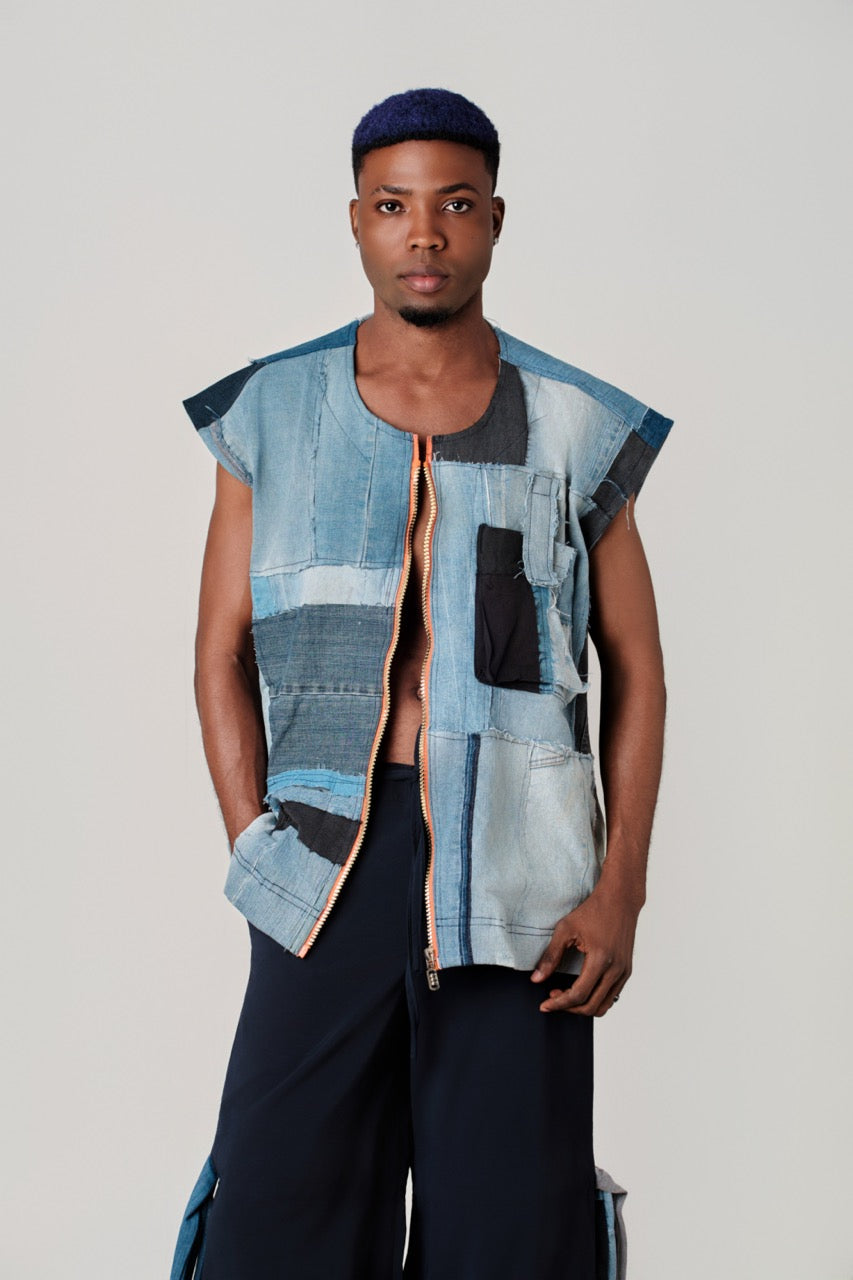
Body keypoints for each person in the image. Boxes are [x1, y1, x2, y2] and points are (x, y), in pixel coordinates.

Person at [169, 87, 672, 1280]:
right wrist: (256, 842)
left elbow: (639, 669)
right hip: (326, 861)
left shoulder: (574, 420)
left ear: (493, 218)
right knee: (277, 1216)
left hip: (521, 873)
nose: (425, 233)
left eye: (453, 204)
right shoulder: (271, 410)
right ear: (356, 220)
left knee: (511, 1230)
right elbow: (218, 649)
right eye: (393, 206)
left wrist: (621, 891)